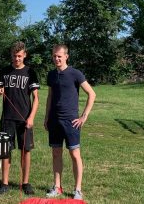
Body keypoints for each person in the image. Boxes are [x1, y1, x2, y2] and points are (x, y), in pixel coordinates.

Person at [44, 44, 96, 200]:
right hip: (54, 120)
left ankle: (78, 189)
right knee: (56, 153)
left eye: (59, 56)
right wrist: (47, 117)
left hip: (71, 121)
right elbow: (50, 97)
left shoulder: (75, 74)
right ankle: (57, 187)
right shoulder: (51, 75)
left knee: (74, 154)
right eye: (54, 56)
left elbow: (92, 94)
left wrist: (83, 116)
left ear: (66, 56)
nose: (56, 58)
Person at [0, 41, 39, 195]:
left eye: (19, 56)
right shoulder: (5, 71)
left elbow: (36, 98)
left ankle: (25, 183)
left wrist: (31, 117)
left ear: (24, 55)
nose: (17, 59)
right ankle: (4, 183)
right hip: (7, 118)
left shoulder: (30, 72)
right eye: (14, 56)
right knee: (5, 151)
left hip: (25, 119)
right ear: (11, 55)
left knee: (25, 151)